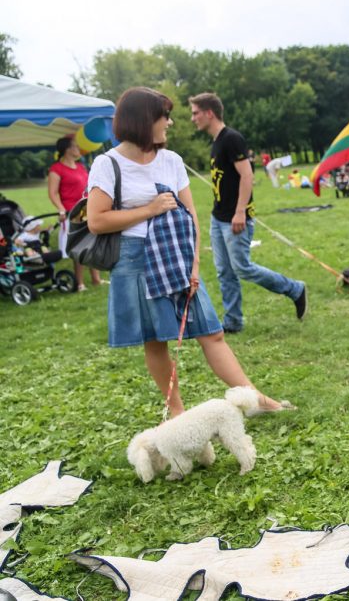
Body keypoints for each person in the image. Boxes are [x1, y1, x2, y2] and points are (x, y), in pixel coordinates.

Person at [85, 87, 288, 417]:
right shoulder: (107, 164)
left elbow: (191, 213)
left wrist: (194, 262)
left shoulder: (171, 160)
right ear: (143, 120)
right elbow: (97, 220)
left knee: (213, 332)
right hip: (135, 259)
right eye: (164, 115)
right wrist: (147, 210)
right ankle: (177, 413)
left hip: (178, 256)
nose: (170, 122)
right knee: (156, 340)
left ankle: (256, 401)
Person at [189, 92, 306, 334]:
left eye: (195, 113)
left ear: (209, 113)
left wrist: (240, 212)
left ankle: (294, 289)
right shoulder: (217, 141)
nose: (193, 118)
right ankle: (233, 321)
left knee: (242, 267)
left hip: (235, 218)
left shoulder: (232, 139)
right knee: (224, 272)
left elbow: (247, 176)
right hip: (218, 216)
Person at [48, 135, 102, 291]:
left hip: (88, 207)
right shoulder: (56, 169)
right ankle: (79, 283)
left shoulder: (80, 167)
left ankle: (96, 279)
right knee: (79, 246)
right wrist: (60, 209)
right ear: (67, 149)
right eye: (76, 146)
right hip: (73, 211)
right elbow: (53, 193)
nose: (79, 149)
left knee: (92, 244)